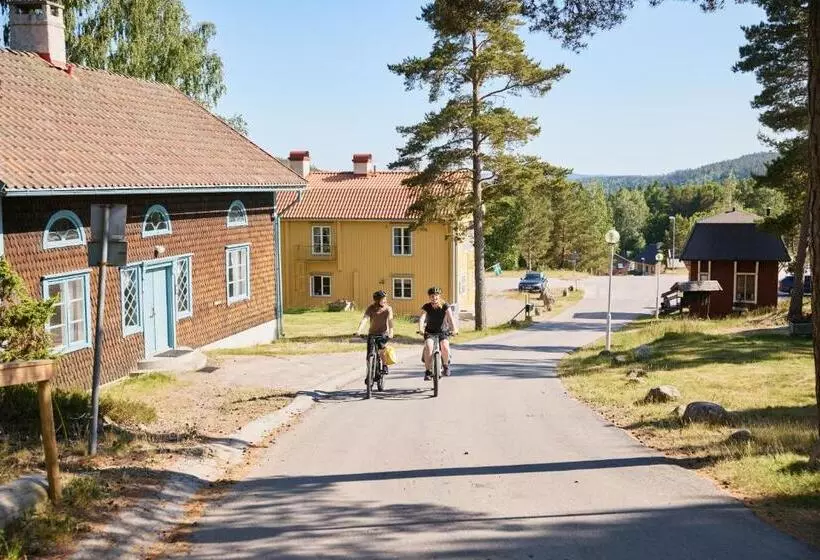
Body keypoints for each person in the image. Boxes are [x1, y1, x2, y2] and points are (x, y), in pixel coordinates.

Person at [418, 286, 458, 381]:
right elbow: (422, 318)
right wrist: (421, 328)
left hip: (442, 331)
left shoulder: (445, 306)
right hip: (430, 332)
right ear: (429, 297)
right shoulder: (426, 306)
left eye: (436, 295)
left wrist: (454, 329)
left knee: (444, 346)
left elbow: (451, 319)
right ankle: (427, 371)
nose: (434, 298)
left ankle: (445, 366)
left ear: (439, 296)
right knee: (429, 347)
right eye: (432, 296)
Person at [355, 290, 394, 380]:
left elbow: (390, 321)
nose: (385, 301)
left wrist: (391, 332)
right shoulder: (371, 308)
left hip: (383, 333)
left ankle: (384, 365)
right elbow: (365, 319)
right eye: (383, 299)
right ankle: (369, 374)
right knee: (369, 356)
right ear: (377, 300)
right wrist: (359, 331)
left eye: (385, 299)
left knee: (381, 350)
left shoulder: (388, 308)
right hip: (372, 334)